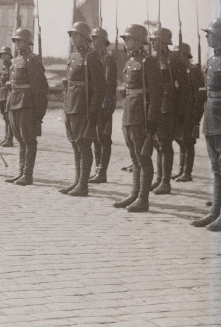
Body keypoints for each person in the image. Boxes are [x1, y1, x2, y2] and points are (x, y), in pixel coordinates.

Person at [113, 24, 162, 213]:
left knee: (143, 157)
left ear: (139, 40)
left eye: (128, 38)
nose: (125, 41)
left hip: (141, 115)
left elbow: (156, 93)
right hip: (129, 114)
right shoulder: (130, 61)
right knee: (134, 156)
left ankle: (143, 198)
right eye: (125, 39)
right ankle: (134, 193)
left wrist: (151, 119)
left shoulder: (148, 61)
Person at [192, 18, 221, 231]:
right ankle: (215, 212)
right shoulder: (212, 60)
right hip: (212, 120)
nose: (207, 36)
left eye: (211, 33)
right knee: (216, 169)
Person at [58, 22, 105, 197]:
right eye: (71, 35)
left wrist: (93, 110)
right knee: (75, 145)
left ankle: (83, 185)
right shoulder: (73, 56)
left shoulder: (91, 56)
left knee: (84, 145)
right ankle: (77, 181)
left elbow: (100, 87)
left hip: (83, 107)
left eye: (76, 35)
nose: (72, 38)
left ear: (84, 37)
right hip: (71, 105)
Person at [147, 27, 192, 195]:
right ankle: (159, 179)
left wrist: (179, 112)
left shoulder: (173, 58)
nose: (151, 42)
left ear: (163, 42)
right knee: (158, 144)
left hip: (168, 106)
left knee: (165, 145)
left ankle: (166, 182)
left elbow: (185, 88)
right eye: (151, 39)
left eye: (154, 39)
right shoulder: (152, 58)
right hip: (155, 105)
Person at [5, 28, 49, 186]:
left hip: (27, 103)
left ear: (28, 42)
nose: (17, 43)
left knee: (29, 139)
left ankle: (27, 175)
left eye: (20, 40)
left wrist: (39, 112)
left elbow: (41, 88)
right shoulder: (16, 60)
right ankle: (20, 172)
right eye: (15, 40)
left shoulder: (33, 60)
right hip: (15, 101)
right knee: (20, 139)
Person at [173, 43, 206, 182]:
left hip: (190, 112)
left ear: (184, 55)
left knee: (188, 142)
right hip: (181, 111)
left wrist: (196, 116)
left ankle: (187, 172)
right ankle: (181, 169)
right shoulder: (180, 71)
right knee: (181, 141)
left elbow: (200, 95)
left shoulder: (193, 70)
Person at [89, 27, 118, 183]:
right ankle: (97, 169)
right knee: (95, 138)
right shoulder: (94, 57)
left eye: (95, 38)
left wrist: (108, 103)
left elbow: (109, 83)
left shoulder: (107, 58)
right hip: (95, 102)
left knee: (104, 138)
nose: (93, 41)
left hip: (105, 103)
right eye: (92, 38)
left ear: (103, 40)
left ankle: (102, 171)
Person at [0, 46, 14, 147]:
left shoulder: (11, 67)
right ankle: (6, 138)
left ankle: (9, 139)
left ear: (9, 56)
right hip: (2, 94)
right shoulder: (3, 67)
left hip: (8, 94)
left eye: (5, 54)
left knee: (8, 117)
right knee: (5, 116)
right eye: (2, 55)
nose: (4, 56)